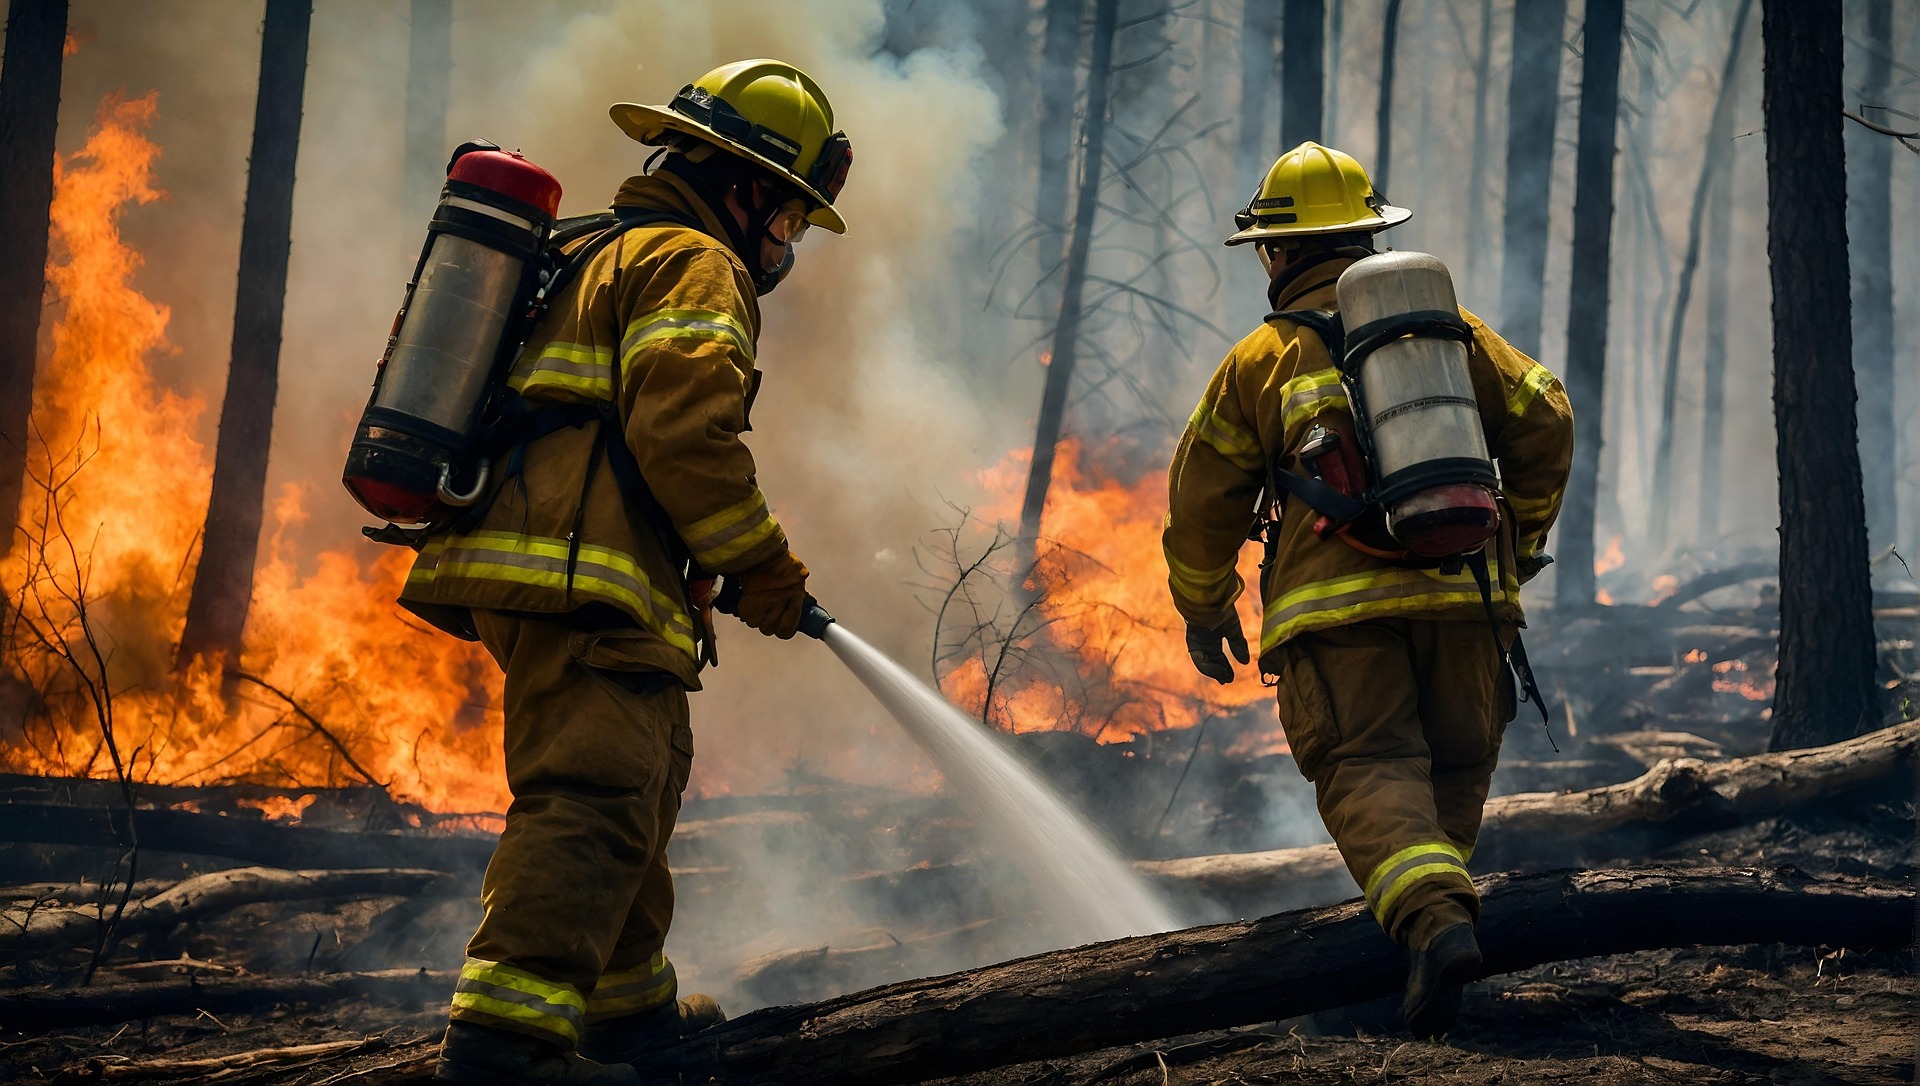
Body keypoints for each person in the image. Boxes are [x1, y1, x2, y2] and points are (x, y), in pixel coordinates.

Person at [400, 59, 853, 1085]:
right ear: (744, 187)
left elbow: (604, 432)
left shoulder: (597, 250)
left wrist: (692, 559)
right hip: (580, 572)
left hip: (553, 564)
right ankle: (505, 1046)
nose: (784, 244)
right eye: (786, 217)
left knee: (634, 792)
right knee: (594, 797)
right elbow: (686, 435)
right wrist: (762, 567)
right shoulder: (695, 263)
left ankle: (630, 1017)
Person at [1162, 141, 1573, 1038]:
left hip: (1337, 621)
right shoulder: (1455, 335)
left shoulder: (1260, 360)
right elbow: (1548, 417)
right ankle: (1433, 948)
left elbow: (1202, 499)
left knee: (1370, 767)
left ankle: (1432, 925)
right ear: (1366, 238)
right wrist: (1522, 546)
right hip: (1468, 601)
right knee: (1451, 769)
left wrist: (1203, 605)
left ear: (1278, 253)